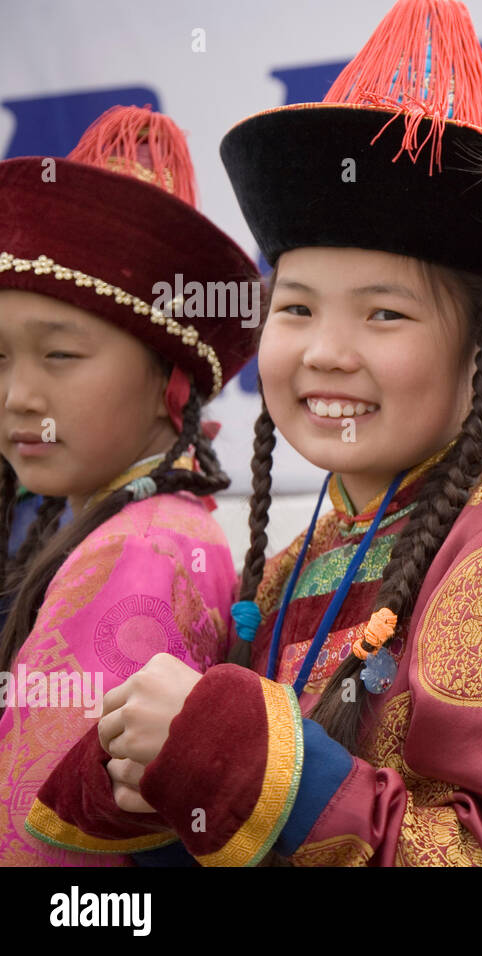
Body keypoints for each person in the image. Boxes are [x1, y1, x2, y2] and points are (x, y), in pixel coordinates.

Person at [26, 0, 482, 867]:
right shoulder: (285, 570)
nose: (325, 353)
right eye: (298, 308)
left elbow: (481, 853)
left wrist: (224, 746)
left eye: (385, 314)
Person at [0, 105, 258, 863]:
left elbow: (37, 844)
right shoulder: (129, 525)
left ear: (167, 383)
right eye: (0, 359)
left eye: (60, 357)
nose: (19, 396)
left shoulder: (140, 549)